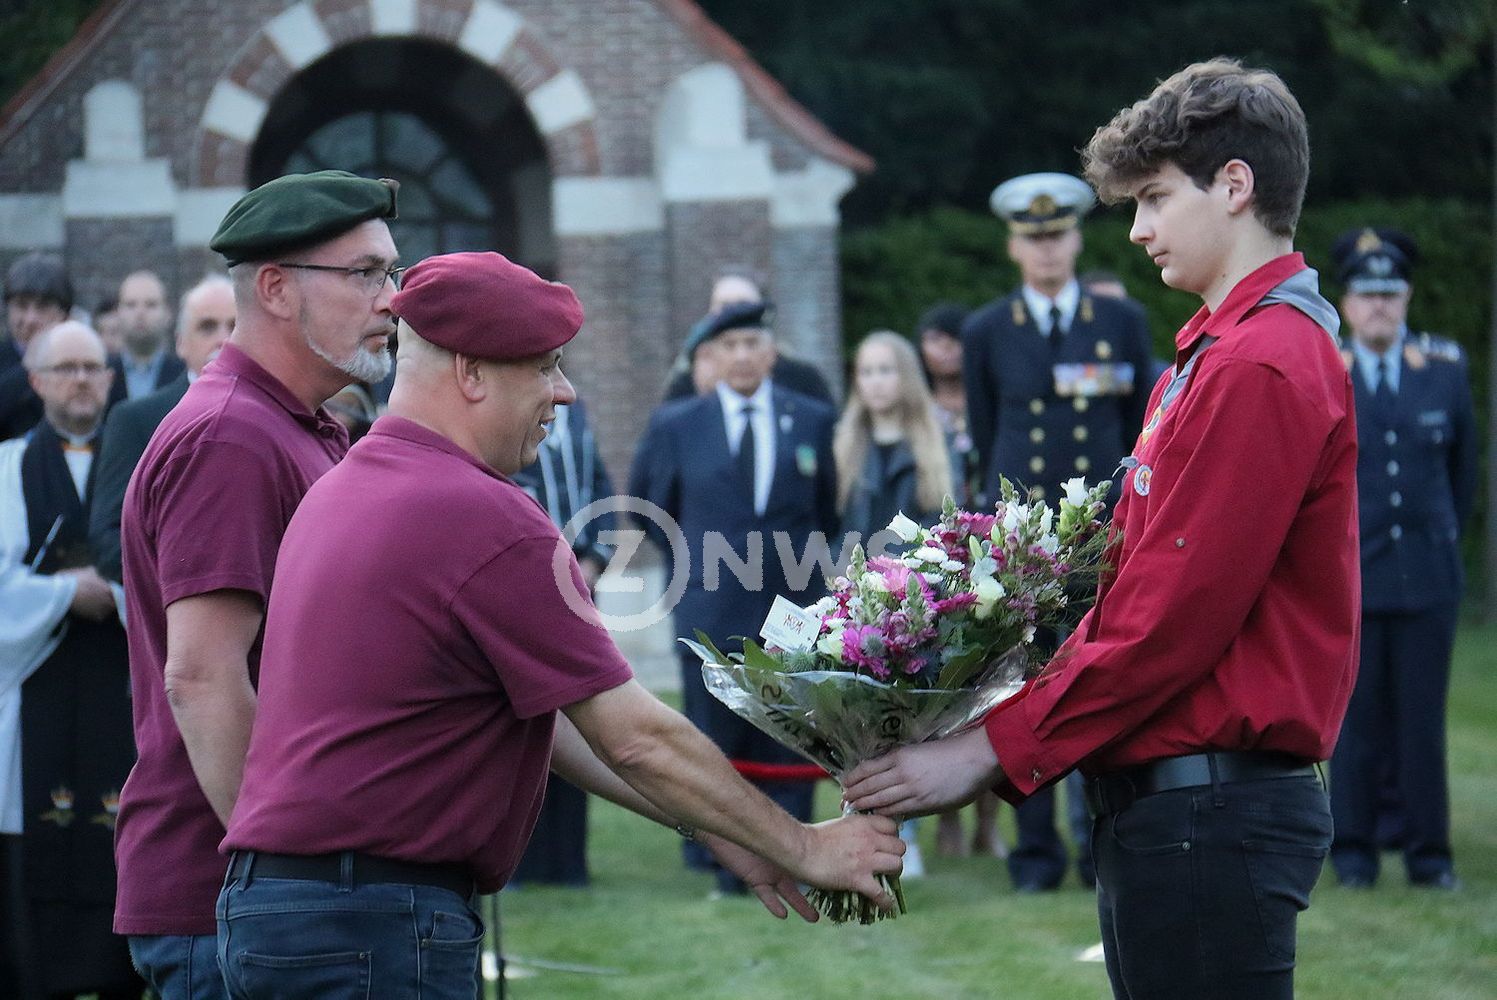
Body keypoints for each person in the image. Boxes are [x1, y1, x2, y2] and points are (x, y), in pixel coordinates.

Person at [215, 252, 903, 998]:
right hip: (373, 926)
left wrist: (720, 828)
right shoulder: (485, 515)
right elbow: (633, 735)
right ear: (472, 373)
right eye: (543, 367)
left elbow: (562, 723)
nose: (565, 392)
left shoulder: (340, 487)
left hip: (287, 913)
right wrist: (803, 845)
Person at [846, 58, 1359, 1000]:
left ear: (1234, 186)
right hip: (1177, 805)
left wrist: (986, 749)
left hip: (1209, 808)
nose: (1136, 229)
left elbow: (1168, 619)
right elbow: (1121, 583)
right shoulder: (1213, 355)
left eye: (1155, 198)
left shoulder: (1258, 363)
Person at [111, 170, 399, 999]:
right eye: (365, 274)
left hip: (260, 902)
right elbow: (202, 676)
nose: (392, 299)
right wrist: (289, 886)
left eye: (393, 272)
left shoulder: (300, 425)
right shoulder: (231, 436)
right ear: (274, 288)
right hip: (237, 909)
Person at [960, 172, 1154, 892]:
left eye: (1058, 236)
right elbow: (987, 433)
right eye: (1032, 238)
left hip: (1101, 541)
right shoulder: (987, 331)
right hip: (1025, 546)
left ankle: (1103, 844)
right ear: (1014, 247)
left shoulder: (1120, 323)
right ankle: (1036, 854)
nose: (1046, 250)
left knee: (1101, 687)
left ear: (1076, 241)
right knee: (1024, 690)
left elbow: (1140, 432)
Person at [631, 298, 840, 892]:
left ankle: (799, 857)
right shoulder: (679, 424)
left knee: (793, 728)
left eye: (753, 343)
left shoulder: (812, 418)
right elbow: (650, 507)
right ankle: (725, 864)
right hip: (712, 603)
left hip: (792, 605)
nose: (743, 355)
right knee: (715, 735)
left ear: (772, 353)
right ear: (712, 357)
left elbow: (827, 508)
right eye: (730, 345)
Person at [1327, 228, 1475, 892]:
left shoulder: (1443, 368)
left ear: (1407, 297)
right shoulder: (1328, 372)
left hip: (1426, 577)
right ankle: (1354, 853)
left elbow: (1462, 474)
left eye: (1389, 293)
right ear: (1346, 304)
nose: (1379, 306)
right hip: (1353, 578)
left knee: (1421, 725)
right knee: (1354, 725)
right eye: (1366, 294)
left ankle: (1429, 855)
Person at [0, 322, 141, 998]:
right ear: (36, 381)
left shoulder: (140, 462)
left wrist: (118, 592)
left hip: (119, 684)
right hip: (35, 690)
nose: (81, 380)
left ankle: (120, 970)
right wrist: (64, 594)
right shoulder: (6, 469)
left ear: (111, 379)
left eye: (92, 367)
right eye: (66, 368)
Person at [834, 329, 953, 877]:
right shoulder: (844, 447)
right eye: (866, 371)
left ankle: (904, 832)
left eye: (886, 370)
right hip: (852, 601)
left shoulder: (934, 444)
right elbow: (831, 527)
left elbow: (945, 526)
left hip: (913, 603)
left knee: (907, 722)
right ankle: (866, 828)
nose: (876, 382)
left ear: (905, 377)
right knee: (857, 723)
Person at [510, 395, 616, 887]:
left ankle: (569, 862)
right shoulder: (505, 412)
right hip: (519, 583)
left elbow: (600, 488)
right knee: (522, 717)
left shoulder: (576, 414)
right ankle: (519, 860)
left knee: (578, 711)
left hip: (577, 586)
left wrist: (592, 561)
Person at [89, 275, 236, 582]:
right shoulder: (135, 420)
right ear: (181, 343)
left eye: (235, 327)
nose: (224, 340)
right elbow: (108, 538)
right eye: (207, 327)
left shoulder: (281, 414)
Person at [662, 271, 836, 405]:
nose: (734, 314)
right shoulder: (687, 376)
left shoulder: (800, 376)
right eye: (724, 306)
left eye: (743, 304)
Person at [0, 253, 74, 441]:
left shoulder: (83, 362)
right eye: (21, 306)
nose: (30, 319)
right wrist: (28, 367)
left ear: (64, 314)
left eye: (42, 307)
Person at [111, 271, 185, 401]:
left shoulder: (184, 374)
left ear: (168, 313)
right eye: (131, 305)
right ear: (117, 313)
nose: (140, 313)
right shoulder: (103, 374)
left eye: (151, 305)